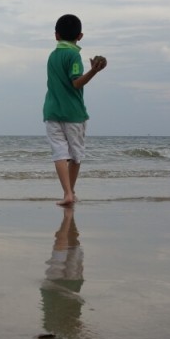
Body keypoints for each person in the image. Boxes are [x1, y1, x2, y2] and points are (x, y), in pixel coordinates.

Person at [43, 14, 107, 206]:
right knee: (76, 155)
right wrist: (93, 71)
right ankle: (70, 192)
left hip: (52, 111)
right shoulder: (74, 55)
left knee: (60, 154)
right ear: (80, 36)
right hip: (73, 114)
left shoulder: (52, 56)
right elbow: (76, 83)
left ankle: (67, 193)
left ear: (56, 35)